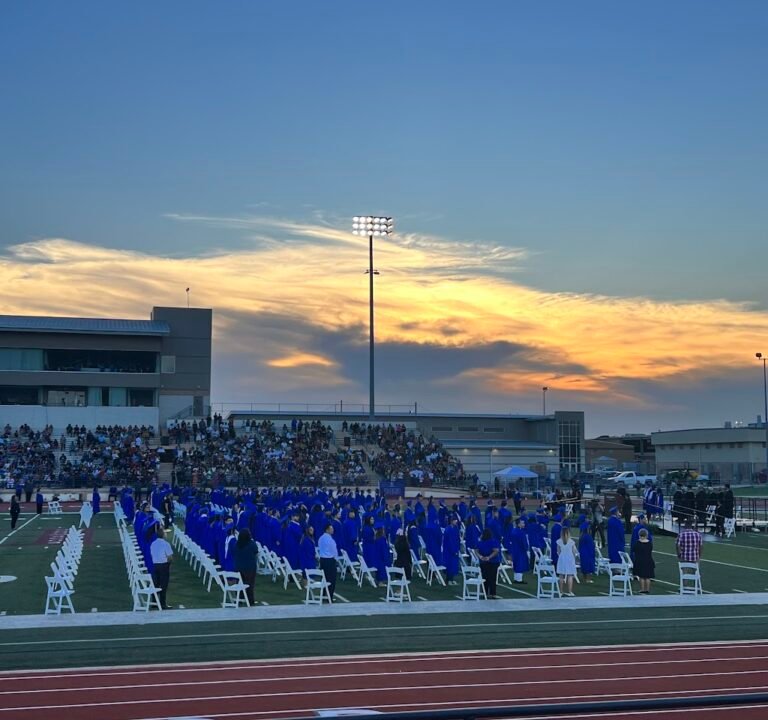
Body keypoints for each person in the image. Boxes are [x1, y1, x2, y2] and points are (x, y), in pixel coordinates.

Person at [233, 527, 258, 605]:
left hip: (239, 567)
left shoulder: (237, 544)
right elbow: (256, 553)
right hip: (250, 568)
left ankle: (239, 599)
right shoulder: (252, 544)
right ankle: (250, 600)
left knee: (240, 583)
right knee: (250, 584)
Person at [150, 526, 173, 609]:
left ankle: (153, 602)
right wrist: (169, 563)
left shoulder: (153, 543)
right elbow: (170, 557)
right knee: (163, 585)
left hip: (155, 565)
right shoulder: (166, 544)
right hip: (164, 565)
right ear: (163, 535)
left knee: (155, 584)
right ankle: (162, 603)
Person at [476, 528, 500, 599]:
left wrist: (480, 557)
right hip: (493, 562)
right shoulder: (493, 541)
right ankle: (493, 594)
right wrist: (489, 557)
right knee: (492, 578)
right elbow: (496, 551)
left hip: (483, 562)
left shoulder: (480, 542)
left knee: (485, 577)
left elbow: (476, 550)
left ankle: (484, 592)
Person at [318, 523, 338, 602]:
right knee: (331, 580)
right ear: (327, 530)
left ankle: (323, 595)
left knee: (324, 578)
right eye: (331, 529)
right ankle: (330, 597)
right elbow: (334, 551)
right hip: (330, 560)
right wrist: (335, 559)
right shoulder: (330, 539)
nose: (332, 530)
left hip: (322, 560)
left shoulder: (321, 538)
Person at [556, 526, 577, 596]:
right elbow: (574, 551)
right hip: (570, 558)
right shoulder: (571, 542)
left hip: (562, 558)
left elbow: (558, 551)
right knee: (570, 575)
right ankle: (570, 591)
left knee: (561, 575)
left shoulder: (559, 541)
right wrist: (573, 558)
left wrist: (561, 556)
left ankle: (561, 591)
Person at [633, 527, 655, 594]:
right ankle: (647, 589)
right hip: (648, 560)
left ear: (639, 535)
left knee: (641, 576)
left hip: (640, 561)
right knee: (648, 577)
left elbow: (634, 550)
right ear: (646, 535)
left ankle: (642, 589)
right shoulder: (649, 543)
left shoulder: (637, 543)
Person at [578, 518, 595, 583]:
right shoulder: (587, 536)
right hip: (588, 553)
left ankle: (584, 578)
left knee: (584, 565)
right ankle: (588, 579)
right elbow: (591, 546)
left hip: (583, 553)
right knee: (588, 566)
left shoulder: (581, 536)